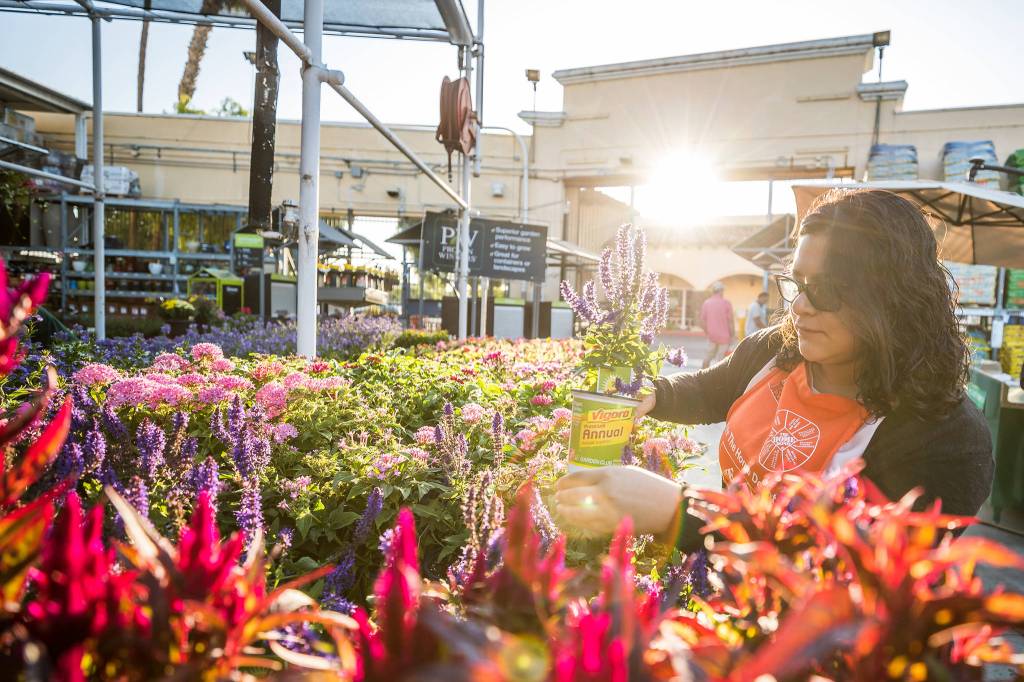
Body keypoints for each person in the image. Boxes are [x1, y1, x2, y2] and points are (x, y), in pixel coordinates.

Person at [555, 189, 993, 550]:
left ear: (891, 298)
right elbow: (715, 388)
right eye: (798, 284)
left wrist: (678, 512)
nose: (799, 306)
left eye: (824, 290)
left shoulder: (947, 440)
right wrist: (655, 394)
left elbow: (845, 573)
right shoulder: (778, 350)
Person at [700, 282, 735, 369]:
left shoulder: (706, 303)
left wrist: (707, 332)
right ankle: (716, 380)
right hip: (724, 337)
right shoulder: (727, 303)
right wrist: (732, 335)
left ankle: (701, 377)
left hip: (712, 335)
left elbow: (702, 321)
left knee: (707, 357)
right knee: (720, 361)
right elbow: (730, 321)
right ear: (721, 291)